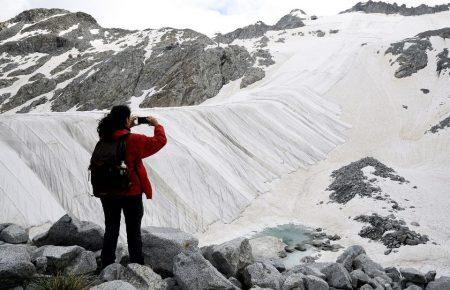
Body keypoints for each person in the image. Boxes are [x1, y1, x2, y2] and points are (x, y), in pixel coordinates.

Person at [96, 105, 167, 268]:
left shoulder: (104, 139)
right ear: (125, 120)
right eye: (129, 118)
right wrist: (156, 125)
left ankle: (107, 264)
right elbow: (160, 141)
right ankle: (136, 265)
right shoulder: (134, 140)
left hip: (108, 193)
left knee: (111, 227)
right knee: (133, 231)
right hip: (131, 192)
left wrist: (127, 126)